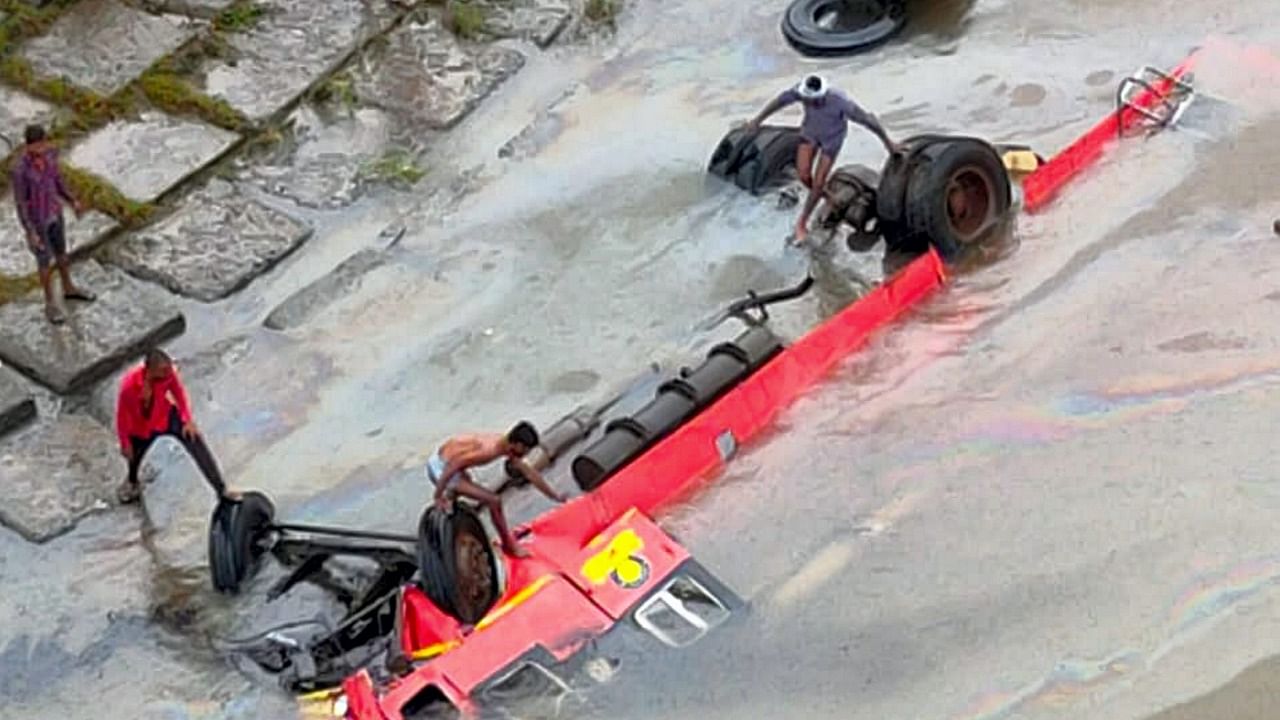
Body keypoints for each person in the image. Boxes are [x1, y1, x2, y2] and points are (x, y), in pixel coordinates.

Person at [747, 74, 899, 245]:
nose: (811, 103)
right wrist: (758, 120)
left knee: (818, 182)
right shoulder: (800, 91)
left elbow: (869, 121)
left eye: (815, 100)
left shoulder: (841, 102)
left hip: (831, 141)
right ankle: (829, 197)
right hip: (810, 134)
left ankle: (802, 222)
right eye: (807, 100)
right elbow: (779, 102)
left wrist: (889, 144)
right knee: (804, 175)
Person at [428, 422, 566, 558]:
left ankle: (450, 502)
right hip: (441, 468)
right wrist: (437, 495)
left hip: (448, 461)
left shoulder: (505, 444)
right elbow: (452, 466)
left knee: (469, 484)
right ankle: (510, 546)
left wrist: (554, 496)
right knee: (494, 500)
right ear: (518, 445)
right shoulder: (490, 450)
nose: (525, 455)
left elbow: (530, 473)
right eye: (526, 451)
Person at [115, 349, 234, 504]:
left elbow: (179, 393)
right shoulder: (129, 386)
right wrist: (125, 443)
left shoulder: (169, 375)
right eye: (164, 370)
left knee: (196, 441)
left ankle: (221, 489)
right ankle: (132, 481)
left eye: (169, 368)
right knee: (134, 457)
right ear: (150, 370)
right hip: (141, 427)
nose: (169, 372)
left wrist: (187, 420)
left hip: (164, 417)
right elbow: (122, 416)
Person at [10, 123, 95, 324]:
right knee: (44, 262)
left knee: (62, 254)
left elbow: (58, 181)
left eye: (43, 144)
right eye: (37, 146)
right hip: (38, 220)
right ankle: (49, 303)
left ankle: (68, 288)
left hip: (54, 213)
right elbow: (21, 203)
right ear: (28, 146)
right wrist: (30, 231)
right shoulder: (20, 171)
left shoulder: (50, 157)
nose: (41, 149)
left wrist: (72, 200)